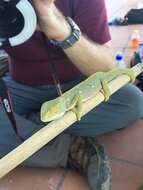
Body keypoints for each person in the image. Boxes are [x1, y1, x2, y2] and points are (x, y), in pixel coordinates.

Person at [0, 0, 143, 189]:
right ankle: (70, 149)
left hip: (76, 84)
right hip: (19, 87)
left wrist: (62, 31)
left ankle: (29, 129)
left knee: (131, 102)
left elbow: (106, 67)